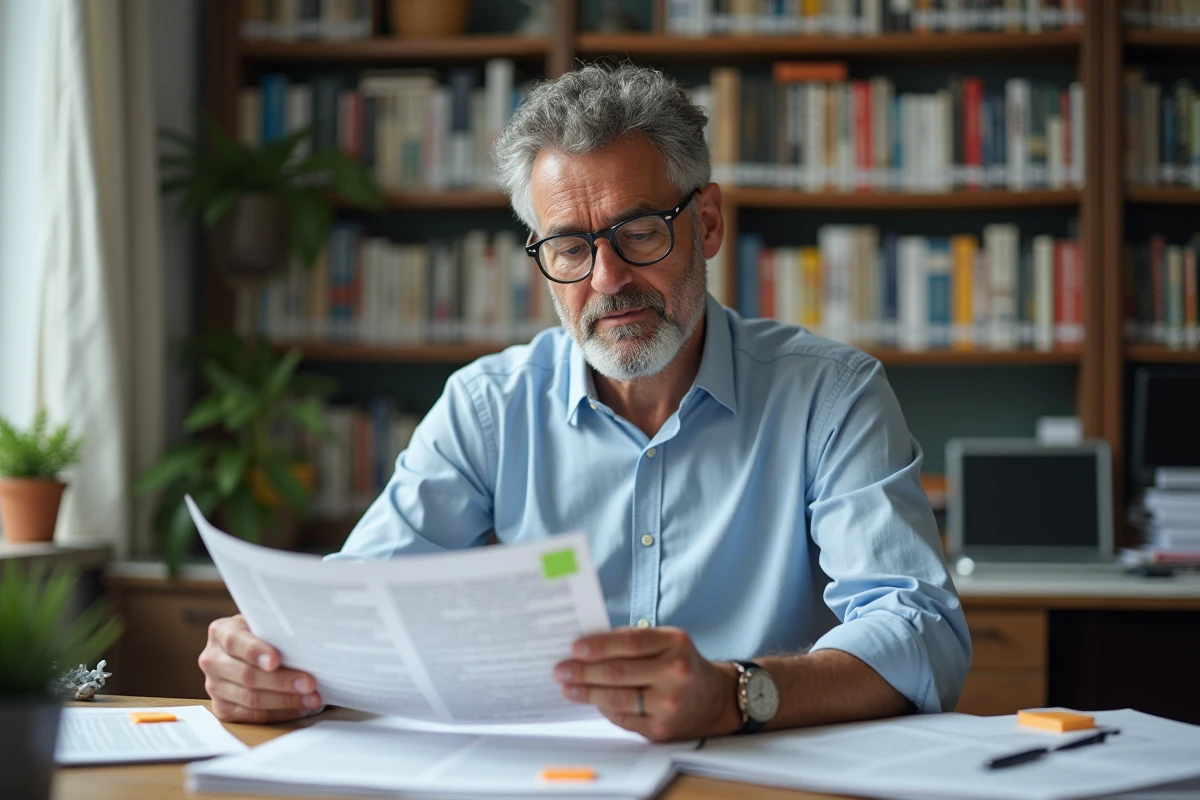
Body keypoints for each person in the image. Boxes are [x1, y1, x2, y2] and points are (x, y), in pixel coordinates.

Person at [199, 64, 972, 740]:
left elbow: (921, 634)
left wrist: (735, 695)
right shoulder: (486, 408)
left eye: (638, 233)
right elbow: (354, 609)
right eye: (570, 246)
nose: (606, 281)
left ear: (706, 223)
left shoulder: (830, 398)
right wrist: (269, 660)